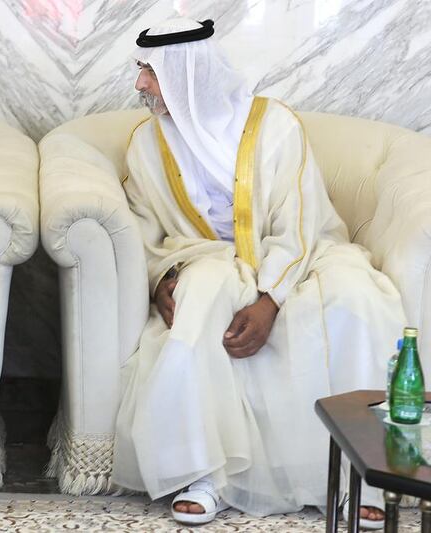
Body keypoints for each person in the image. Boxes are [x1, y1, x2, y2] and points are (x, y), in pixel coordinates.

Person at [112, 17, 404, 529]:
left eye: (149, 72)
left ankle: (364, 478)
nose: (140, 84)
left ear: (187, 74)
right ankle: (203, 473)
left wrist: (270, 297)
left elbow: (300, 220)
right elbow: (141, 228)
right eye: (141, 70)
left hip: (304, 255)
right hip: (205, 256)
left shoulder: (274, 127)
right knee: (198, 299)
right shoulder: (146, 144)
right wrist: (161, 280)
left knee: (356, 301)